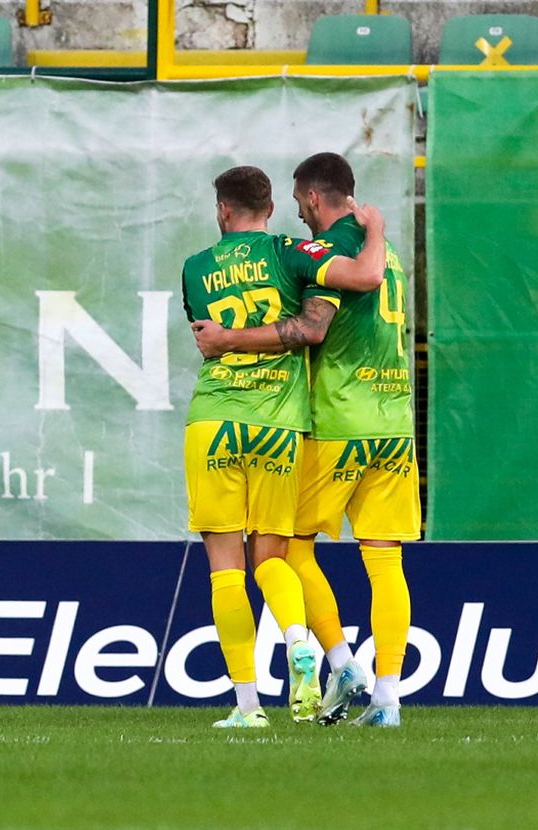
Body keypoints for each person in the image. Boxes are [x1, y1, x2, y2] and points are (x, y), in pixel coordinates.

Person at [194, 152, 411, 728]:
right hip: (395, 421)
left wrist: (228, 339)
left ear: (313, 198)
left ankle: (340, 662)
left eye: (299, 202)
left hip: (337, 420)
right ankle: (387, 700)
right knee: (386, 562)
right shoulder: (383, 250)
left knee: (286, 552)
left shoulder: (331, 252)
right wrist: (379, 228)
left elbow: (311, 327)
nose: (298, 213)